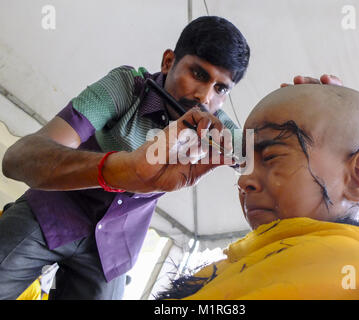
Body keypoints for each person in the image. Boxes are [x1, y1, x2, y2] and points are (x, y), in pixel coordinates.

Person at [0, 16, 250, 300]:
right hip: (50, 213)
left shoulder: (215, 125)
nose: (205, 97)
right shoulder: (126, 86)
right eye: (199, 75)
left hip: (113, 249)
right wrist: (116, 169)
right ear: (168, 61)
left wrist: (304, 114)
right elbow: (20, 157)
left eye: (221, 88)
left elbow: (258, 156)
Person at [155, 83, 359, 300]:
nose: (244, 181)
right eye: (245, 162)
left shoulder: (347, 269)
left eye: (271, 156)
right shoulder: (267, 259)